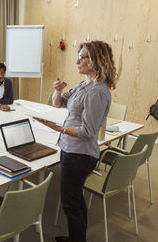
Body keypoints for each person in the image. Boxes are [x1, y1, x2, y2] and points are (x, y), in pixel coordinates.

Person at [34, 41, 117, 242]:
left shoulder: (97, 91)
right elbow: (59, 103)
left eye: (82, 57)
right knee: (76, 199)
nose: (77, 60)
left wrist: (60, 128)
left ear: (96, 60)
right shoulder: (84, 84)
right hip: (70, 149)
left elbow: (88, 131)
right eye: (78, 56)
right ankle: (77, 238)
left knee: (71, 203)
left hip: (80, 154)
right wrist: (57, 90)